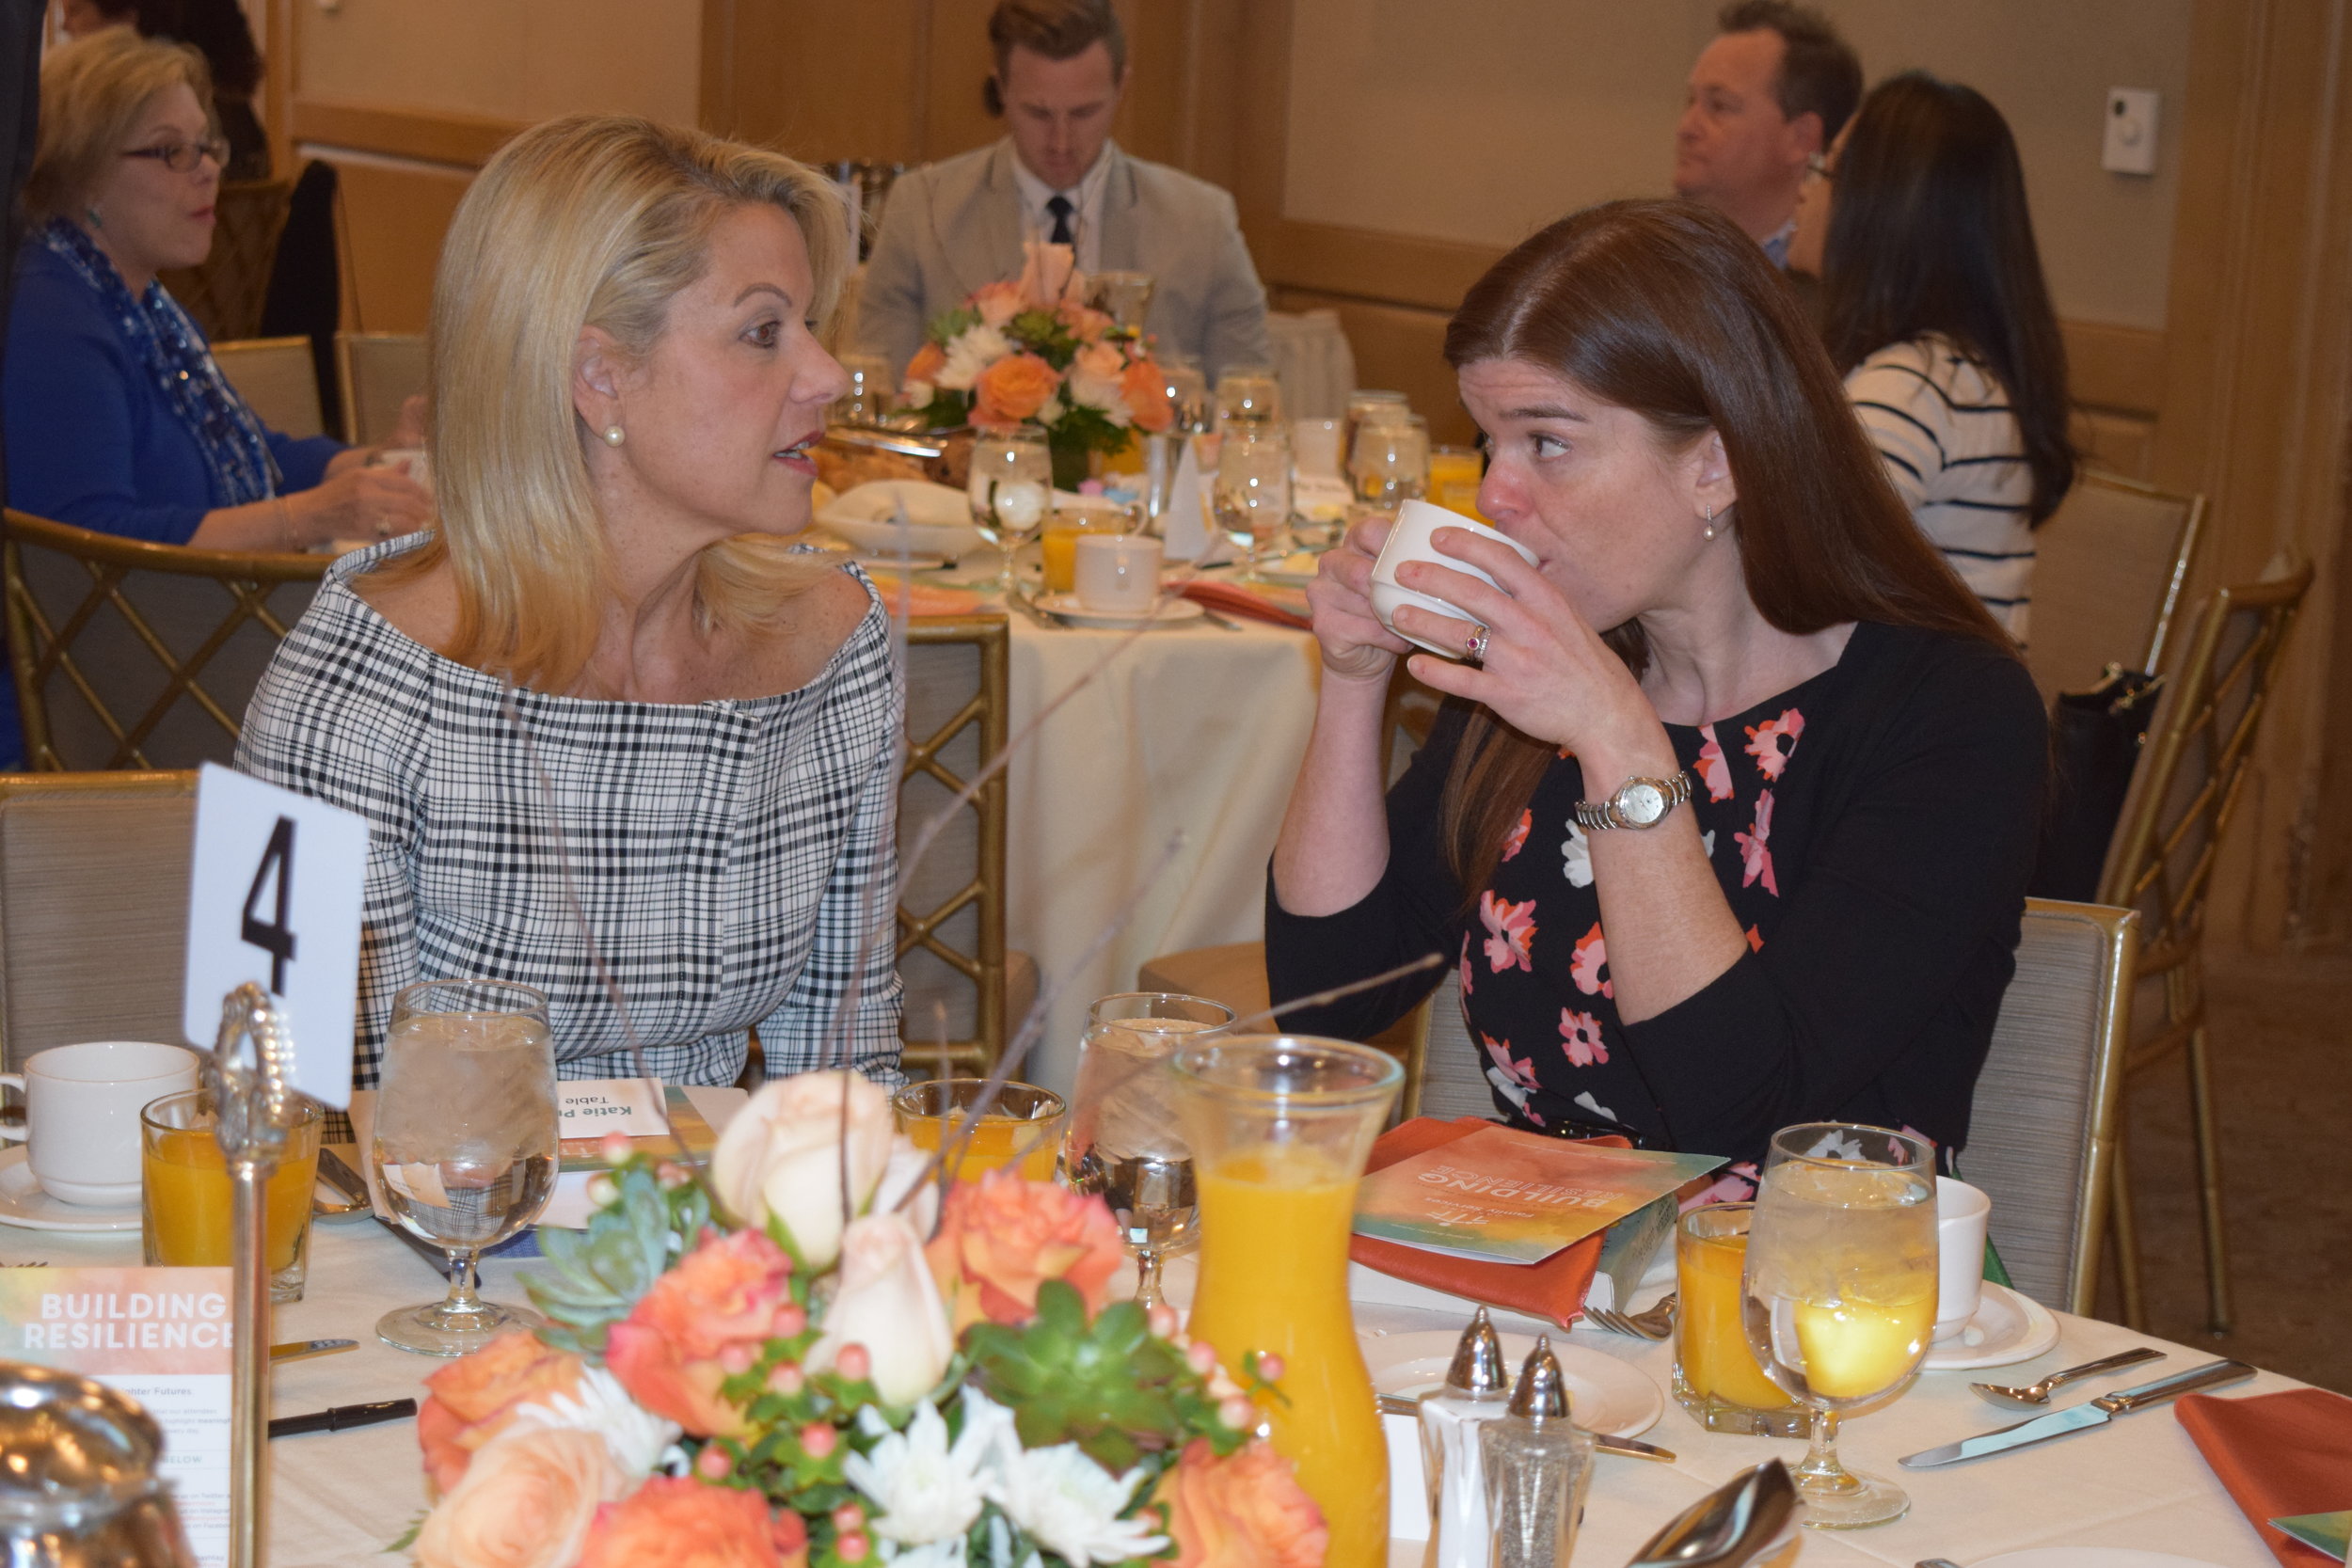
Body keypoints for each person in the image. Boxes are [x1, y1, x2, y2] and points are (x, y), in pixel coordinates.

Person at [1264, 200, 2046, 1187]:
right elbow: (1326, 996)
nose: (1494, 492)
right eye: (1487, 438)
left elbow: (1740, 1108)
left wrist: (1618, 739)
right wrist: (1351, 680)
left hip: (1812, 1302)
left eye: (1546, 441)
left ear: (1714, 464)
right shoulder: (1548, 670)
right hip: (1540, 1275)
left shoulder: (1948, 717)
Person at [237, 114, 905, 1091]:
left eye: (809, 326)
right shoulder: (346, 691)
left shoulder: (833, 646)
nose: (827, 375)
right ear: (599, 378)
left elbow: (848, 1084)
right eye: (764, 331)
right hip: (432, 1234)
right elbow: (287, 1115)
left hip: (722, 1234)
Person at [5, 28, 429, 551]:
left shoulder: (150, 309)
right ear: (84, 171)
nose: (208, 170)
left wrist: (380, 464)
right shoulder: (50, 319)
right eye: (171, 151)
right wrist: (311, 516)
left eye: (206, 146)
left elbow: (257, 456)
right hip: (138, 629)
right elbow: (84, 544)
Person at [1788, 72, 2074, 644]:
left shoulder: (1910, 388)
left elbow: (1800, 580)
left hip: (1929, 726)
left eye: (1827, 170)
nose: (1803, 188)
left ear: (1883, 209)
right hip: (1969, 713)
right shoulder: (1960, 371)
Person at [858, 0, 1272, 383]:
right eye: (1037, 112)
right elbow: (879, 387)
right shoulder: (923, 209)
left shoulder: (1201, 222)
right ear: (1001, 87)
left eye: (1084, 112)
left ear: (1121, 88)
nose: (1061, 141)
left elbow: (1248, 395)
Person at [1673, 0, 1860, 268]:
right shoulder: (1655, 265)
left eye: (1719, 106)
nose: (1686, 128)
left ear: (1800, 138)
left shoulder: (1842, 287)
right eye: (1691, 102)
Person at [55, 0, 267, 179]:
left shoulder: (161, 97)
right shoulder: (215, 99)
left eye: (76, 10)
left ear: (126, 18)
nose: (64, 26)